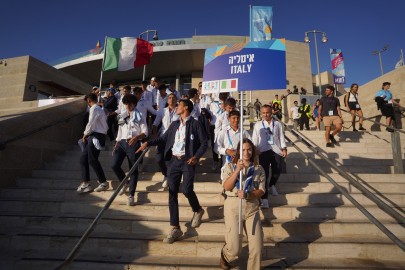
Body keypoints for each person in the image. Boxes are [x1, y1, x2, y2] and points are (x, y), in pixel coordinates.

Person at [137, 99, 208, 244]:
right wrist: (148, 143)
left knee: (187, 190)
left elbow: (204, 143)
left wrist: (196, 157)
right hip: (174, 161)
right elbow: (163, 139)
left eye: (179, 105)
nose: (176, 107)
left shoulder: (195, 123)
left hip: (188, 161)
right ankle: (175, 227)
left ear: (186, 107)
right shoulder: (175, 124)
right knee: (172, 192)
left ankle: (198, 209)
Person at [220, 138, 265, 270]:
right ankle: (225, 256)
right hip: (233, 207)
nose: (246, 152)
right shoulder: (229, 167)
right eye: (243, 150)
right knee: (234, 249)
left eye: (249, 149)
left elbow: (261, 190)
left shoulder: (258, 169)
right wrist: (237, 171)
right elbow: (227, 186)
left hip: (252, 208)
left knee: (257, 247)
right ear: (239, 151)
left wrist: (248, 195)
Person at [112, 94, 147, 206]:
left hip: (134, 144)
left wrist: (136, 137)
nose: (127, 106)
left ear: (134, 104)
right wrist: (116, 143)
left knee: (133, 170)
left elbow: (145, 132)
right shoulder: (122, 115)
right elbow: (120, 130)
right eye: (126, 103)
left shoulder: (140, 115)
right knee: (114, 165)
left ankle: (131, 195)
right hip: (122, 143)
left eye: (129, 104)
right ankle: (125, 182)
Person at [252, 105, 287, 207]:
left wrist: (284, 148)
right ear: (261, 113)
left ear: (271, 112)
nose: (265, 115)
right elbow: (255, 138)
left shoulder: (277, 124)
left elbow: (281, 137)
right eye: (263, 113)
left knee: (277, 170)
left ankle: (272, 184)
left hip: (276, 149)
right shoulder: (258, 125)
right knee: (264, 174)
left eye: (267, 112)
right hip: (263, 151)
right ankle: (265, 199)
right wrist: (255, 149)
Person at [77, 93, 109, 194]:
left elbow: (91, 123)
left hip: (96, 136)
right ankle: (86, 183)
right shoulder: (99, 109)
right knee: (84, 158)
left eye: (87, 101)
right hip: (96, 136)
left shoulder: (94, 108)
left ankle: (103, 182)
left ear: (89, 101)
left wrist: (84, 134)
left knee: (92, 160)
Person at [151, 93, 180, 188]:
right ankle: (166, 175)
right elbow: (155, 123)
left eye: (173, 98)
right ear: (167, 100)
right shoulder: (162, 111)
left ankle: (171, 178)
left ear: (176, 100)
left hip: (175, 139)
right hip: (163, 137)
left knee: (171, 160)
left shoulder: (179, 111)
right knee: (159, 158)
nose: (171, 99)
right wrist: (155, 136)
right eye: (169, 98)